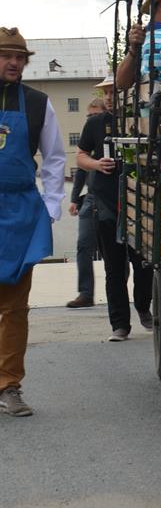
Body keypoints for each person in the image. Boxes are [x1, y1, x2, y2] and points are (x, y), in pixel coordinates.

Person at [0, 27, 66, 417]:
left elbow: (56, 157)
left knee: (14, 307)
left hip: (20, 213)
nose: (13, 63)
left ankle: (8, 386)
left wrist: (52, 205)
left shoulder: (39, 103)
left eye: (19, 57)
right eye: (6, 56)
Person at [76, 76, 153, 341]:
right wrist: (96, 165)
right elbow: (81, 155)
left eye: (114, 92)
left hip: (139, 203)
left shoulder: (142, 120)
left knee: (143, 266)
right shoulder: (95, 123)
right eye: (106, 93)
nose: (109, 97)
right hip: (106, 203)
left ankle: (143, 306)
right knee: (114, 268)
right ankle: (119, 325)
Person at [66, 99, 106, 308]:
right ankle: (85, 293)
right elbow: (81, 168)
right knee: (83, 245)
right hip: (90, 198)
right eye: (88, 116)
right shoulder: (88, 135)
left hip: (110, 197)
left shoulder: (107, 134)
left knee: (113, 248)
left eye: (94, 115)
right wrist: (74, 199)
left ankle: (116, 288)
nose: (90, 120)